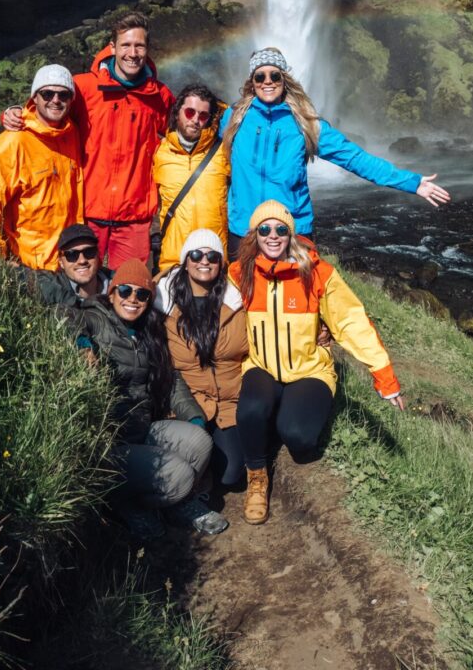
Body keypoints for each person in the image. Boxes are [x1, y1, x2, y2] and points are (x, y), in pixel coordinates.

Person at [229, 201, 404, 525]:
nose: (273, 235)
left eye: (281, 229)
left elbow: (351, 321)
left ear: (290, 233)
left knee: (299, 439)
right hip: (261, 366)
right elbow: (205, 293)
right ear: (254, 234)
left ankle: (285, 416)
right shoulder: (241, 272)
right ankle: (257, 477)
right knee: (251, 411)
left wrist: (384, 376)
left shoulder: (317, 272)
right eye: (264, 229)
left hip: (310, 369)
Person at [220, 47, 450, 255]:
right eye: (260, 76)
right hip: (244, 230)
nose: (267, 81)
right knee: (244, 299)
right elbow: (194, 129)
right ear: (252, 82)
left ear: (284, 80)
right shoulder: (234, 118)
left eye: (275, 75)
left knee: (297, 300)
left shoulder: (307, 125)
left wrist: (412, 182)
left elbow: (355, 158)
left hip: (291, 230)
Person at [2, 11, 173, 270]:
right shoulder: (84, 88)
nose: (133, 52)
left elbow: (183, 130)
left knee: (128, 289)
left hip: (134, 217)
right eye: (126, 45)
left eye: (139, 45)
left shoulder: (159, 96)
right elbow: (49, 111)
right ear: (112, 47)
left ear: (147, 50)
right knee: (80, 286)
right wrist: (16, 112)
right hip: (86, 210)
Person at [76, 258, 228, 538]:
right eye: (125, 291)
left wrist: (192, 415)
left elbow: (171, 380)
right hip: (111, 443)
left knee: (200, 442)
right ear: (112, 293)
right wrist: (83, 342)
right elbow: (60, 316)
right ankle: (128, 506)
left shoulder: (148, 331)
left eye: (142, 294)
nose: (133, 299)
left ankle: (174, 504)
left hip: (142, 429)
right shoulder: (95, 318)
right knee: (179, 475)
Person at [155, 229, 248, 494]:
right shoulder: (162, 302)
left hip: (229, 403)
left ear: (221, 263)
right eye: (196, 254)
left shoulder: (237, 300)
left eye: (212, 256)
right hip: (186, 402)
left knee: (231, 475)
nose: (204, 261)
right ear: (185, 260)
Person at [0, 64, 82, 272]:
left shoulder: (72, 135)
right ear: (34, 98)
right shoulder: (13, 142)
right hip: (28, 265)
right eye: (47, 93)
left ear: (71, 100)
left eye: (63, 95)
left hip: (66, 262)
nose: (55, 100)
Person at [153, 83, 230, 274]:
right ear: (178, 111)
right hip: (173, 259)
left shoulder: (224, 152)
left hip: (213, 260)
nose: (195, 120)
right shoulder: (159, 152)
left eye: (203, 115)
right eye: (190, 112)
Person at [30, 223, 110, 309]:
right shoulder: (52, 286)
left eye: (89, 252)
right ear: (61, 262)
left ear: (98, 254)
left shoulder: (118, 287)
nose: (82, 260)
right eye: (71, 255)